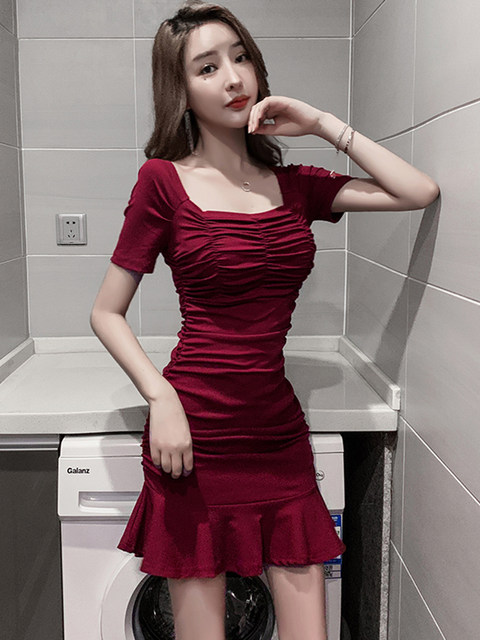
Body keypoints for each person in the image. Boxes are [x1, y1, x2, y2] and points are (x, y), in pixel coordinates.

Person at [90, 2, 440, 639]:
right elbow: (106, 312)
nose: (233, 77)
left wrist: (323, 124)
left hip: (276, 431)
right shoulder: (162, 182)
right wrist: (161, 397)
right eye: (207, 67)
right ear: (180, 90)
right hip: (193, 433)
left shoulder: (296, 185)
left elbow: (417, 191)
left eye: (241, 56)